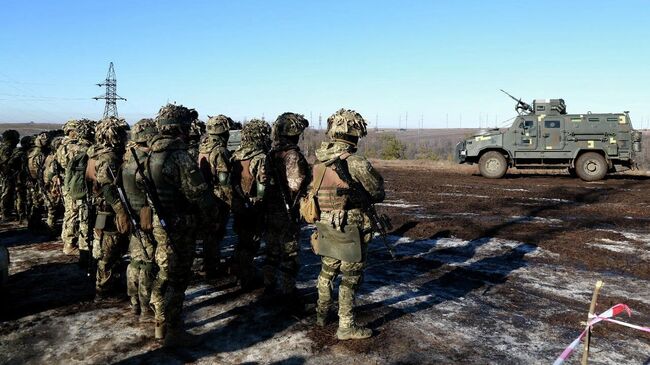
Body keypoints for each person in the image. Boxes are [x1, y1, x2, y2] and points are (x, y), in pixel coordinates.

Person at [146, 104, 217, 345]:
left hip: (160, 221)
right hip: (180, 224)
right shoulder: (179, 156)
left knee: (163, 271)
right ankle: (172, 329)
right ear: (181, 128)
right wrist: (210, 214)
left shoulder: (150, 153)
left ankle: (158, 319)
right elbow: (198, 193)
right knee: (177, 278)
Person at [311, 109, 385, 340]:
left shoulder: (319, 162)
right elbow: (378, 192)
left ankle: (321, 314)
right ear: (355, 135)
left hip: (326, 224)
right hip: (351, 228)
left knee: (327, 269)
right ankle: (346, 326)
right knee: (351, 277)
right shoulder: (356, 163)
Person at [263, 113, 310, 301]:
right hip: (286, 210)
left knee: (272, 250)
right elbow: (295, 184)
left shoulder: (271, 153)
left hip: (270, 208)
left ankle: (268, 283)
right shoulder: (292, 155)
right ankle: (287, 289)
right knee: (290, 252)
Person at [86, 117, 130, 300]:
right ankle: (103, 289)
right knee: (109, 250)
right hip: (109, 211)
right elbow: (108, 187)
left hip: (101, 208)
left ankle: (108, 283)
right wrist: (121, 211)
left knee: (111, 249)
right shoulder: (109, 158)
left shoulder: (95, 154)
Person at [122, 118, 158, 321]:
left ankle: (134, 303)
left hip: (132, 216)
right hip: (146, 218)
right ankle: (146, 308)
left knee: (134, 262)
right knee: (147, 264)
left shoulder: (128, 161)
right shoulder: (145, 163)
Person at [230, 119, 270, 290]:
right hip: (253, 205)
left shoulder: (236, 155)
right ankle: (246, 277)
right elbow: (262, 186)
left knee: (241, 239)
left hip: (238, 203)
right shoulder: (260, 157)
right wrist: (262, 205)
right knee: (251, 242)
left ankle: (238, 270)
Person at [197, 114, 233, 278]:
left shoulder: (202, 148)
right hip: (217, 197)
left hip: (204, 196)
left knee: (208, 233)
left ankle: (209, 263)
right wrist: (232, 200)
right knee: (215, 233)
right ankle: (212, 267)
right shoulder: (220, 151)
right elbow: (224, 180)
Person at [56, 120, 94, 255]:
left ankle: (68, 242)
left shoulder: (62, 147)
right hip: (78, 184)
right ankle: (78, 246)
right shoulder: (81, 148)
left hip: (68, 183)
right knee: (82, 215)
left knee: (70, 214)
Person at [0, 130, 21, 221]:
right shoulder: (7, 148)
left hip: (8, 174)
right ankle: (4, 213)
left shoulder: (6, 147)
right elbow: (6, 162)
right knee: (6, 193)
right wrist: (16, 155)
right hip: (6, 174)